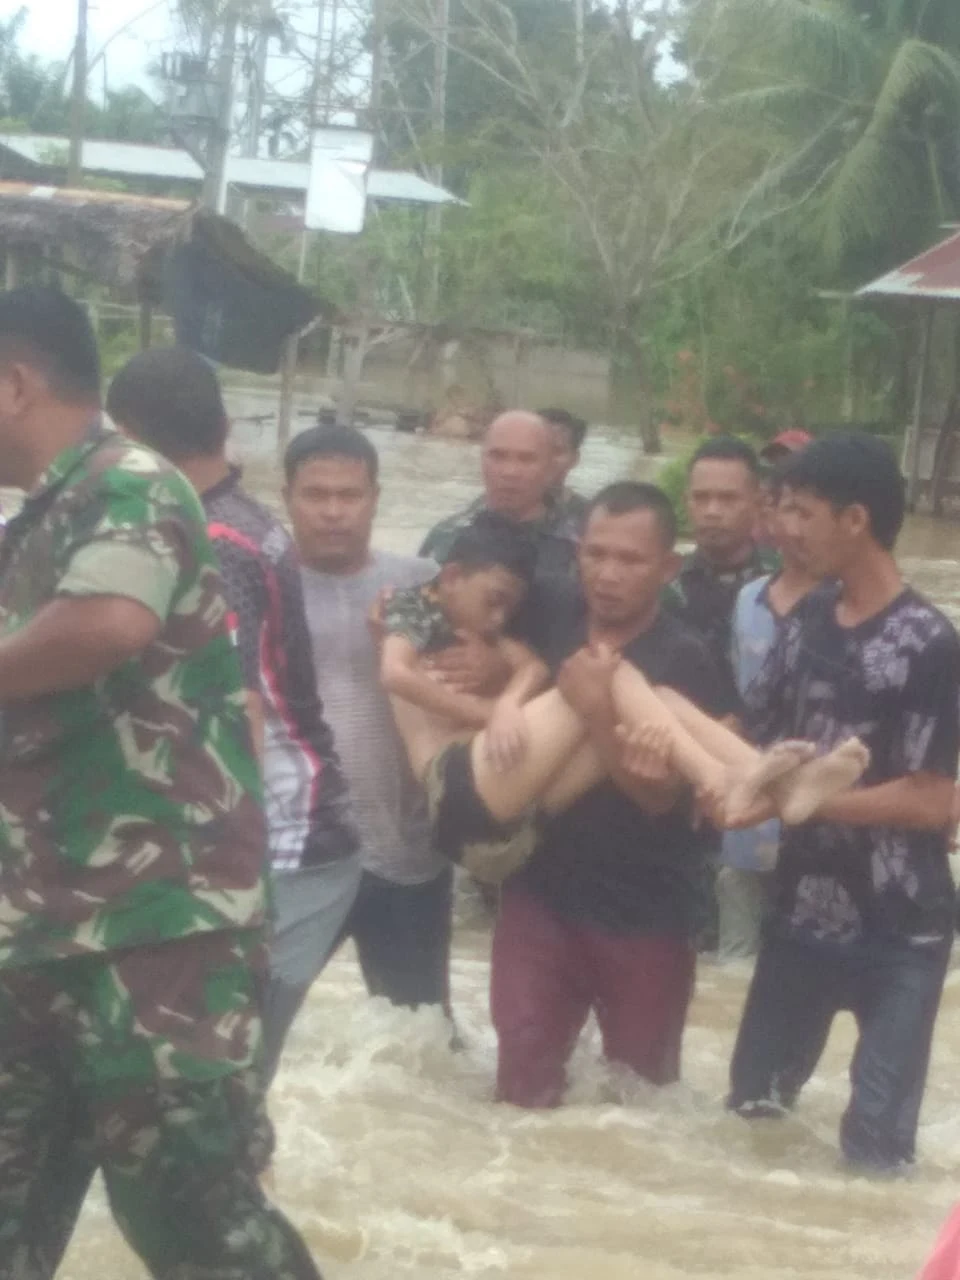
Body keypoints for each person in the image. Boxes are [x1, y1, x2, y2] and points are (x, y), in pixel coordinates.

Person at [0, 288, 321, 1276]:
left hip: (157, 928)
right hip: (37, 929)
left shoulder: (131, 481)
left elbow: (108, 623)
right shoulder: (36, 522)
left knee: (193, 1219)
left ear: (12, 385)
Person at [106, 347, 361, 1093]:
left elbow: (238, 708)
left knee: (224, 1083)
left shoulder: (215, 543)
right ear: (222, 425)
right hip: (291, 838)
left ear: (130, 439)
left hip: (276, 846)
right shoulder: (245, 521)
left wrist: (219, 870)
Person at [727, 432, 960, 1172]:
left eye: (799, 511)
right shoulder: (806, 620)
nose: (781, 528)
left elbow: (934, 800)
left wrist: (815, 802)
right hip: (800, 915)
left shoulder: (930, 642)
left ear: (855, 520)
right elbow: (754, 730)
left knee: (877, 1153)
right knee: (749, 1121)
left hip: (901, 933)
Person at [283, 424, 457, 1012]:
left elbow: (468, 688)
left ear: (375, 498)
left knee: (425, 1042)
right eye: (316, 494)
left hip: (406, 852)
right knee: (254, 1028)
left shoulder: (422, 583)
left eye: (349, 495)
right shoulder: (261, 582)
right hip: (296, 855)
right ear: (288, 499)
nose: (334, 511)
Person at [717, 474, 820, 961]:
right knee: (735, 965)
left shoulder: (852, 607)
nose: (796, 526)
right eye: (787, 510)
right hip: (746, 815)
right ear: (767, 517)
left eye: (809, 513)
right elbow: (739, 699)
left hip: (820, 821)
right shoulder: (748, 599)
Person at [419, 409, 582, 654]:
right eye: (497, 456)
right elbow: (420, 616)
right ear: (482, 460)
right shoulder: (447, 536)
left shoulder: (582, 545)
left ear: (551, 467)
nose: (510, 472)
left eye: (526, 459)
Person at [664, 435, 779, 701]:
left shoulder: (786, 584)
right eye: (701, 498)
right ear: (686, 501)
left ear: (758, 503)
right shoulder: (666, 589)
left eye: (728, 499)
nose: (712, 511)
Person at [538, 406, 590, 524]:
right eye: (537, 449)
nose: (545, 459)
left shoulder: (589, 518)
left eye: (556, 451)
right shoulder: (492, 508)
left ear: (574, 459)